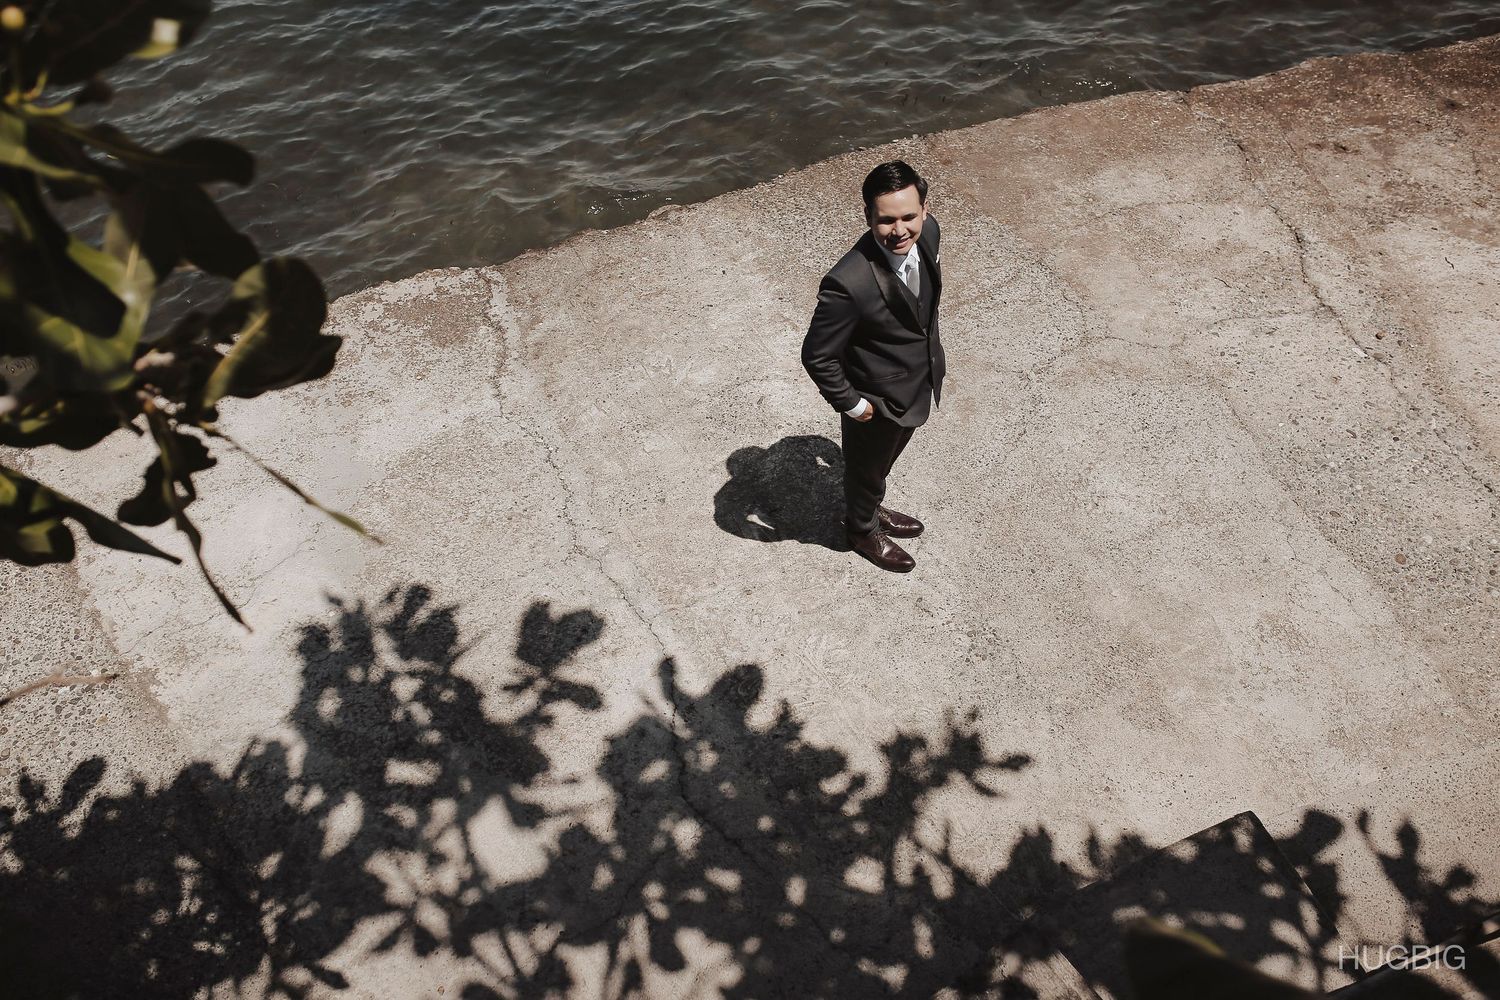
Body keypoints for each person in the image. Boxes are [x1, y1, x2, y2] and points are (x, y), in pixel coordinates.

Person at [801, 160, 946, 573]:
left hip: (918, 383)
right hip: (876, 399)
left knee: (883, 462)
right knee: (866, 468)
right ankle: (861, 529)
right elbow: (817, 354)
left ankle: (870, 505)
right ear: (868, 216)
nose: (899, 230)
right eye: (886, 220)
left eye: (908, 217)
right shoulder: (848, 283)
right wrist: (854, 405)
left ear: (924, 210)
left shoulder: (929, 234)